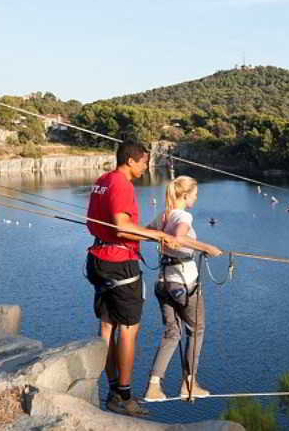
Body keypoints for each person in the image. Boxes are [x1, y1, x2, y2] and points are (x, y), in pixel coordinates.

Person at [86, 140, 179, 417]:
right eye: (143, 162)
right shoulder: (122, 184)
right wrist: (159, 235)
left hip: (98, 258)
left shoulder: (101, 180)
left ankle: (113, 388)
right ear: (130, 160)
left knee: (107, 327)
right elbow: (122, 227)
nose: (145, 166)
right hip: (120, 264)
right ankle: (124, 396)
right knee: (128, 329)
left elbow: (101, 222)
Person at [144, 175, 224, 402]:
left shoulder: (163, 215)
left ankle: (153, 386)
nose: (196, 199)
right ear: (186, 195)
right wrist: (205, 247)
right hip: (183, 283)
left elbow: (146, 232)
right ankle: (189, 384)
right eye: (195, 195)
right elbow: (179, 237)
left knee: (172, 334)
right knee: (196, 331)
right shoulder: (182, 215)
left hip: (163, 283)